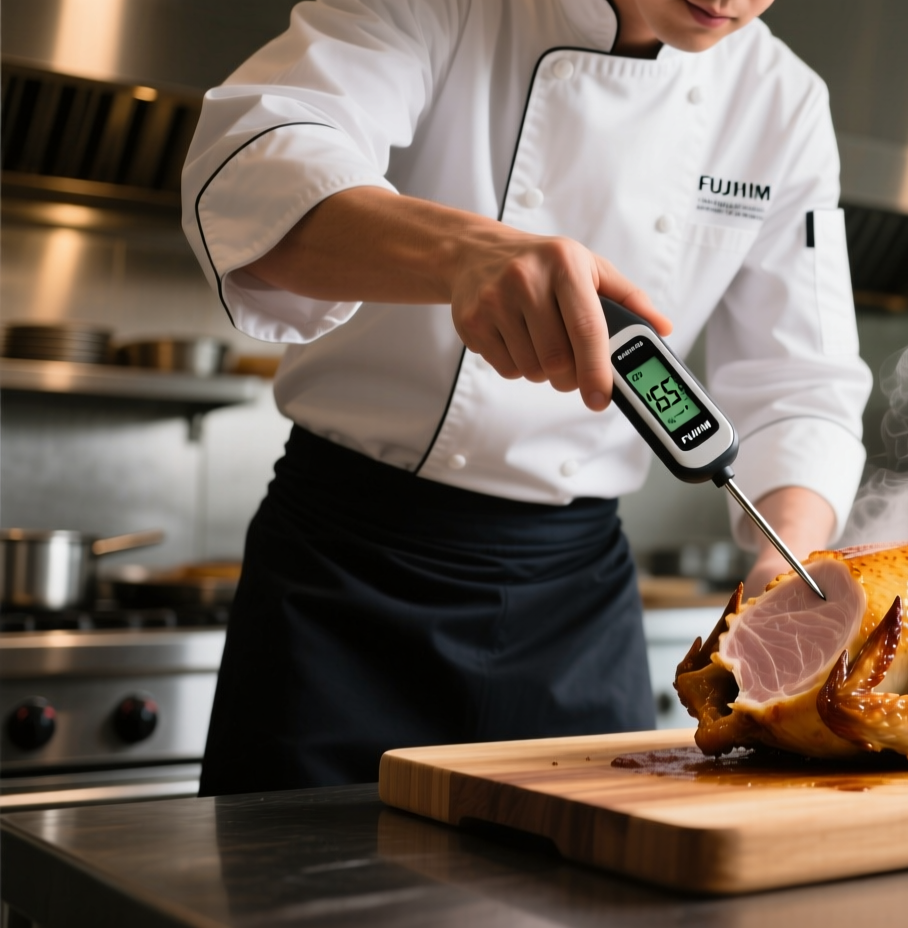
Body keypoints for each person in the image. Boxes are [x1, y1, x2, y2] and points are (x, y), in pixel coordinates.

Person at [181, 0, 870, 796]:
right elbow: (253, 170)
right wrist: (461, 254)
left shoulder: (782, 101)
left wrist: (783, 569)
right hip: (344, 580)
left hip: (576, 607)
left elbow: (803, 384)